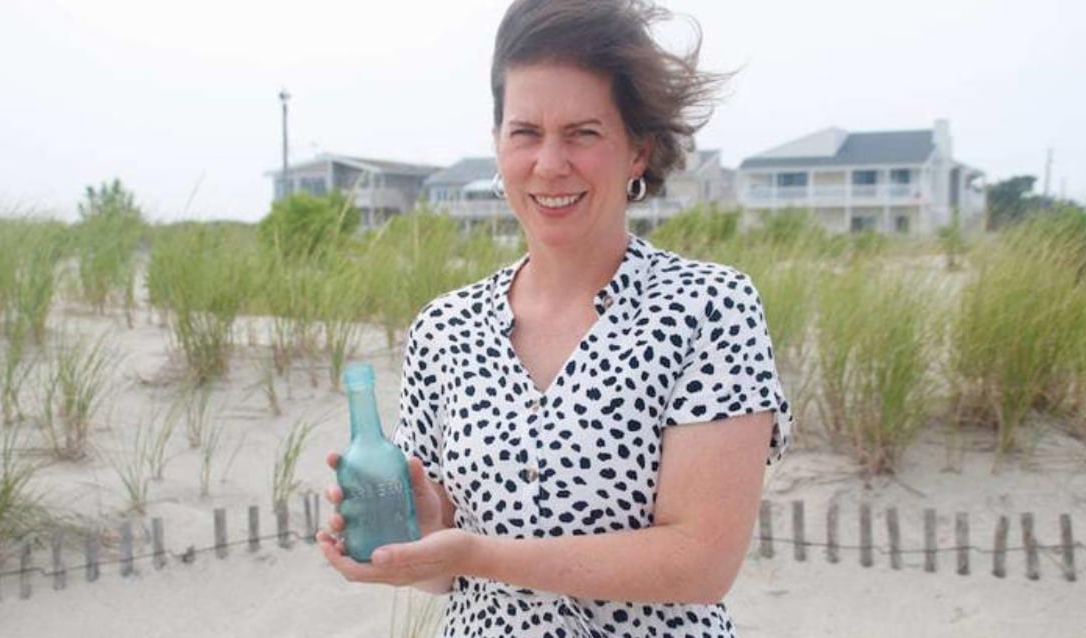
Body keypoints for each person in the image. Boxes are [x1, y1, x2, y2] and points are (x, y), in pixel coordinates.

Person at [317, 0, 792, 635]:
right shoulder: (443, 329)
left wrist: (479, 553)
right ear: (496, 145)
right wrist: (426, 531)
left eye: (583, 133)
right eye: (526, 133)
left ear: (637, 153)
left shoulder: (709, 309)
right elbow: (440, 574)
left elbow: (699, 562)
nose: (549, 163)